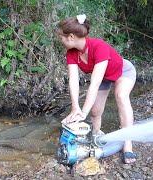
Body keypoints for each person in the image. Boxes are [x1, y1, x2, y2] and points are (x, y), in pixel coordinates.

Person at [57, 14, 137, 164]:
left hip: (122, 71)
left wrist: (83, 113)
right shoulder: (72, 53)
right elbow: (73, 80)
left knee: (120, 96)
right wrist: (76, 108)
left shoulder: (98, 46)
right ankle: (96, 137)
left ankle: (127, 145)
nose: (60, 40)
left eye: (62, 37)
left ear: (71, 37)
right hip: (105, 77)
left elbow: (94, 84)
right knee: (95, 111)